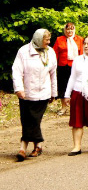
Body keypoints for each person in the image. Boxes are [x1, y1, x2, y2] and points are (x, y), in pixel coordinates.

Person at [12, 29, 58, 161]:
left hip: (44, 93)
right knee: (27, 120)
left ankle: (23, 147)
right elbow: (16, 71)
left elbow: (53, 74)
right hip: (26, 93)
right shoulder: (23, 51)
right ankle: (38, 145)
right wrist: (19, 88)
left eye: (49, 40)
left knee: (34, 120)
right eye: (46, 40)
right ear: (38, 39)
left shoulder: (50, 52)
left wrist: (54, 92)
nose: (49, 43)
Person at [52, 23, 83, 115]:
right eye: (67, 29)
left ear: (74, 30)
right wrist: (53, 65)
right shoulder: (59, 39)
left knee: (75, 86)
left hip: (75, 66)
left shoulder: (80, 39)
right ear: (64, 30)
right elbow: (54, 53)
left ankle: (74, 107)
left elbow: (82, 53)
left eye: (71, 29)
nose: (69, 31)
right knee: (63, 86)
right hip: (62, 66)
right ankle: (63, 107)